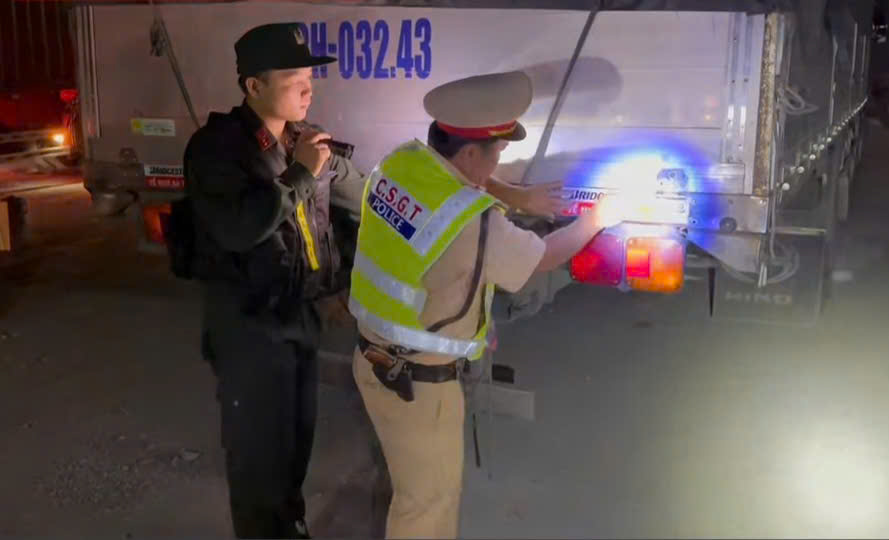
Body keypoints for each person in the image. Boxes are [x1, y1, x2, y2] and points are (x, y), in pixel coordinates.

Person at [349, 70, 615, 539]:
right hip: (419, 387)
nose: (498, 163)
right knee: (424, 506)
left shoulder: (401, 163)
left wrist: (516, 195)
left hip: (373, 359)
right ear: (471, 153)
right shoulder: (476, 225)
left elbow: (457, 186)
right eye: (496, 154)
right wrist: (596, 220)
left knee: (417, 492)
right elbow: (542, 257)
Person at [182, 22, 369, 539]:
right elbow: (241, 227)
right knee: (257, 459)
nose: (309, 90)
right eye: (294, 80)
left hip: (299, 319)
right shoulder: (217, 149)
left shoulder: (304, 140)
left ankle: (291, 526)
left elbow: (354, 204)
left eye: (311, 78)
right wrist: (301, 172)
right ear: (254, 86)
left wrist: (335, 287)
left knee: (294, 447)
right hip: (248, 329)